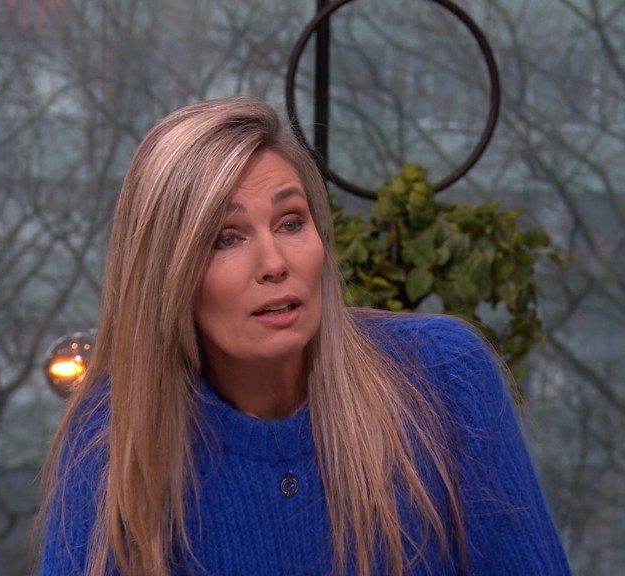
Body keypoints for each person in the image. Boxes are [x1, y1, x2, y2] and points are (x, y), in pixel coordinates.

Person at [38, 96, 572, 576]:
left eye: (291, 222)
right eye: (227, 238)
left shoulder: (445, 376)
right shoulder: (111, 438)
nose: (274, 263)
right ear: (166, 274)